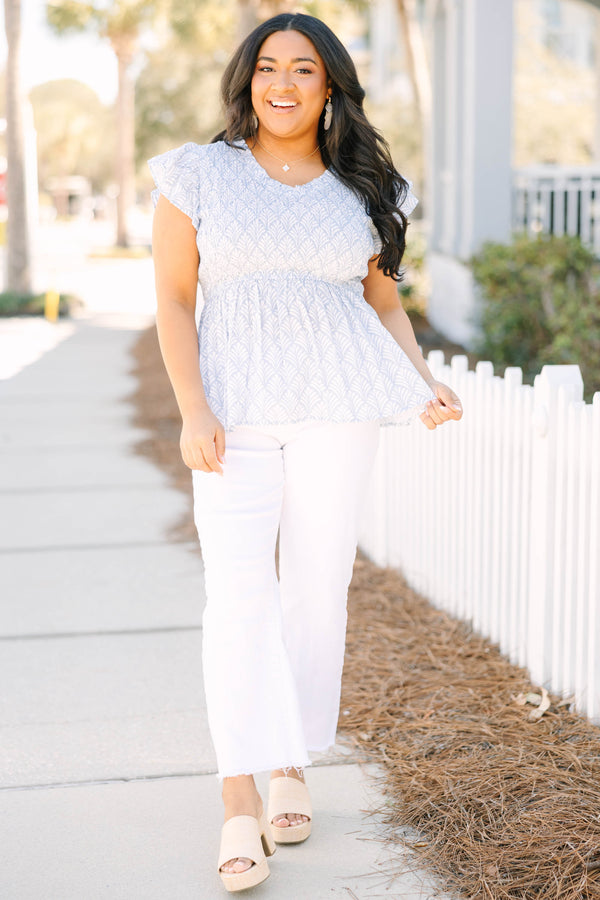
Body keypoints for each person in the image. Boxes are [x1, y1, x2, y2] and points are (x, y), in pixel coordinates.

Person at [149, 11, 462, 893]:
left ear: (331, 89)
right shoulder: (198, 174)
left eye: (304, 70)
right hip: (234, 417)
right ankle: (237, 801)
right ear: (247, 81)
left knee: (317, 591)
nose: (282, 83)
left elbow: (384, 304)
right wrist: (192, 409)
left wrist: (421, 381)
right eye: (267, 68)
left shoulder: (365, 189)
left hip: (337, 411)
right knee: (236, 599)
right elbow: (175, 301)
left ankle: (291, 760)